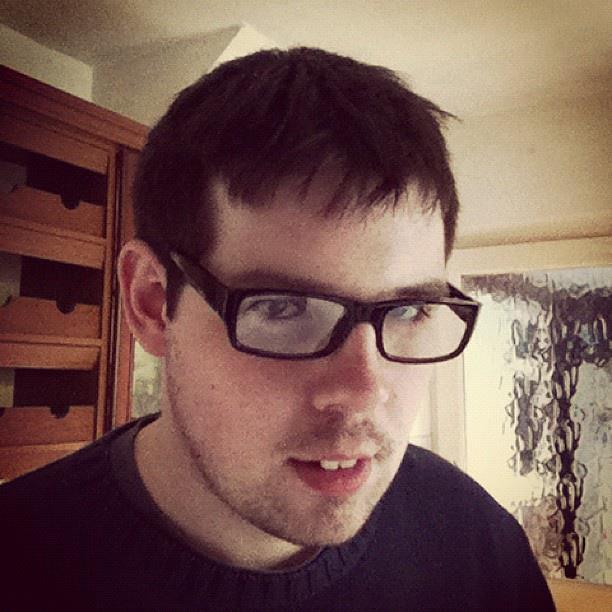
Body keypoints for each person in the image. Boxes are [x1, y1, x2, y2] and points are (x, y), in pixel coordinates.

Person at [0, 47, 555, 611]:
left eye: (409, 310)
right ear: (152, 302)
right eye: (285, 309)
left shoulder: (480, 546)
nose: (365, 392)